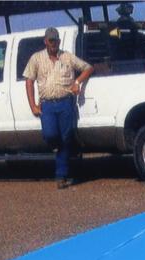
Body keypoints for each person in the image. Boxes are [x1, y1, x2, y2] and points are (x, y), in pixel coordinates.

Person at [23, 27, 94, 189]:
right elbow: (29, 81)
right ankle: (63, 152)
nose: (54, 43)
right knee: (51, 135)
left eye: (56, 40)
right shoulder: (36, 58)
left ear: (59, 41)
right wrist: (33, 105)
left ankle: (61, 175)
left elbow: (88, 68)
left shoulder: (67, 57)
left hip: (65, 103)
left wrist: (77, 82)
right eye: (51, 40)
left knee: (66, 138)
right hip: (47, 105)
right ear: (45, 41)